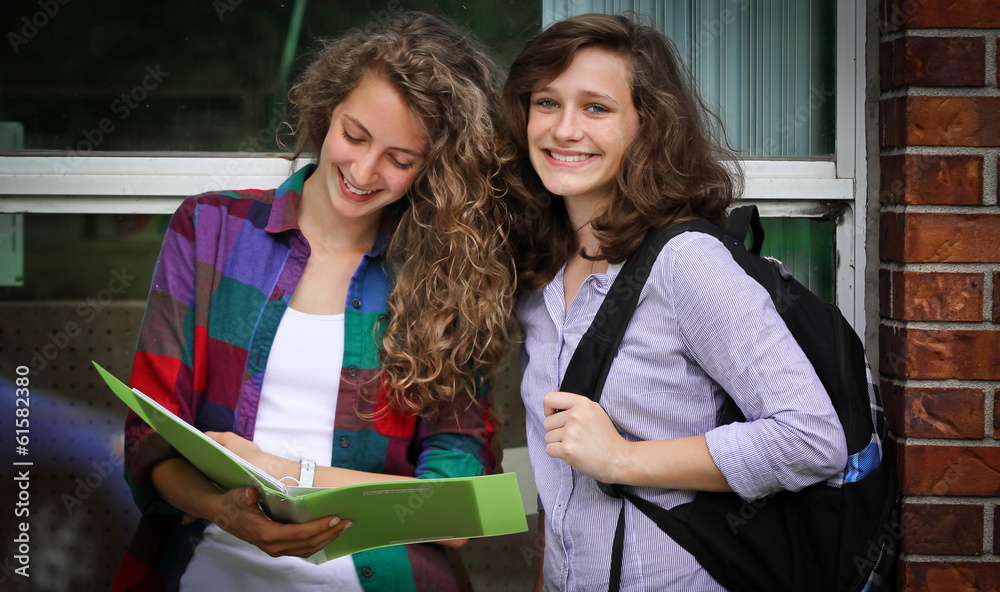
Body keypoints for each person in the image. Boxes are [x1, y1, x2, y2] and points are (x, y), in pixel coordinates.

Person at [114, 12, 516, 592]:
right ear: (326, 111)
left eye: (400, 160)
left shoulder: (448, 279)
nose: (363, 170)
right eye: (354, 135)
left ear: (435, 169)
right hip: (210, 566)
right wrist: (226, 510)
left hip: (382, 578)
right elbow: (150, 437)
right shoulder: (209, 229)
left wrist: (286, 474)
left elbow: (458, 511)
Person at [499, 13, 848, 591]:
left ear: (646, 126)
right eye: (546, 102)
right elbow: (562, 489)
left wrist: (622, 462)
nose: (564, 129)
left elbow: (811, 438)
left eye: (596, 108)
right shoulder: (540, 274)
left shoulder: (686, 263)